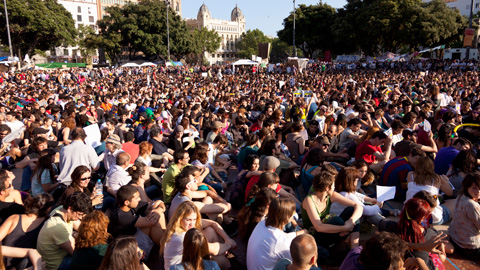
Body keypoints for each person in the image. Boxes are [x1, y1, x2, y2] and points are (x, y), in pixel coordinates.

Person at [302, 171, 363, 263]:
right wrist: (344, 227)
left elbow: (358, 206)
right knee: (337, 221)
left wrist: (350, 221)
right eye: (333, 185)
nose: (334, 188)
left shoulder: (331, 196)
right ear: (327, 188)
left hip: (331, 231)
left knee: (351, 211)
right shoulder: (309, 200)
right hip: (315, 235)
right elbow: (319, 227)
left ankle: (354, 252)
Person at [161, 201, 235, 270]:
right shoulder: (180, 237)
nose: (192, 223)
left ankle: (225, 256)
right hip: (179, 267)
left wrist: (227, 239)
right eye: (188, 220)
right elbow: (214, 250)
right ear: (180, 218)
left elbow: (213, 223)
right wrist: (229, 245)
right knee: (219, 260)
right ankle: (229, 265)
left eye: (194, 219)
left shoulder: (181, 226)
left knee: (210, 230)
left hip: (187, 261)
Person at [247, 198, 307, 270]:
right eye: (292, 215)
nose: (293, 217)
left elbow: (282, 238)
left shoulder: (262, 223)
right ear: (285, 219)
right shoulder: (280, 241)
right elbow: (295, 264)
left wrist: (299, 232)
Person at [107, 185, 166, 259]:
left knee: (157, 214)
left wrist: (159, 209)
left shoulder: (132, 205)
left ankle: (166, 244)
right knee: (154, 223)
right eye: (137, 197)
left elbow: (157, 203)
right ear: (127, 202)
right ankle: (167, 250)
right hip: (125, 247)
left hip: (133, 236)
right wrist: (157, 211)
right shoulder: (120, 216)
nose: (139, 199)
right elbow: (152, 222)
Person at [37, 192, 92, 270]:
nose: (80, 218)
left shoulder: (62, 211)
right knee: (89, 259)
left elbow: (81, 228)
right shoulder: (58, 226)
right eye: (79, 214)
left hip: (60, 254)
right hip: (56, 265)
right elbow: (75, 252)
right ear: (70, 209)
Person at [0, 194, 53, 269]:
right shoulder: (47, 222)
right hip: (27, 264)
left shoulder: (14, 218)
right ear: (48, 208)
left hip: (3, 262)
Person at [339, 232, 428, 270]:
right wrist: (420, 262)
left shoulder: (356, 252)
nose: (402, 261)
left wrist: (421, 246)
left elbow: (383, 245)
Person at [398, 198, 444, 270]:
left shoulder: (391, 227)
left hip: (403, 263)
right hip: (424, 266)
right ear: (422, 217)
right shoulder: (429, 233)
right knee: (441, 255)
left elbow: (378, 220)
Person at [406, 156, 454, 225]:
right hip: (431, 217)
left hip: (410, 213)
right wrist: (446, 180)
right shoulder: (437, 178)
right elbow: (450, 193)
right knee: (455, 202)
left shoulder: (410, 175)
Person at [448, 172, 480, 260]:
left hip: (455, 239)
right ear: (467, 187)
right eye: (474, 188)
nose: (478, 191)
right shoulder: (472, 205)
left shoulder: (461, 196)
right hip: (469, 247)